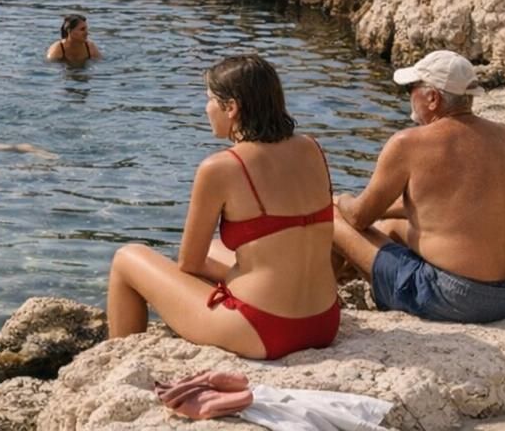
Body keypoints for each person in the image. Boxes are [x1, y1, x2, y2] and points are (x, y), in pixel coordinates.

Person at [106, 55, 339, 360]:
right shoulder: (311, 147)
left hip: (265, 329)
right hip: (323, 322)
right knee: (218, 248)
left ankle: (119, 363)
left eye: (210, 100)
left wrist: (232, 278)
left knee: (127, 258)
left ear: (231, 108)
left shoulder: (220, 167)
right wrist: (236, 273)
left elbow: (189, 264)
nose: (206, 108)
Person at [332, 50, 505, 323]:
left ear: (432, 98)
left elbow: (358, 217)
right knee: (390, 227)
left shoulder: (408, 143)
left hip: (462, 298)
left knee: (332, 219)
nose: (409, 96)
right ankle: (353, 282)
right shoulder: (503, 134)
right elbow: (445, 208)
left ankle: (322, 303)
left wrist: (340, 199)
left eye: (411, 89)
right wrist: (383, 213)